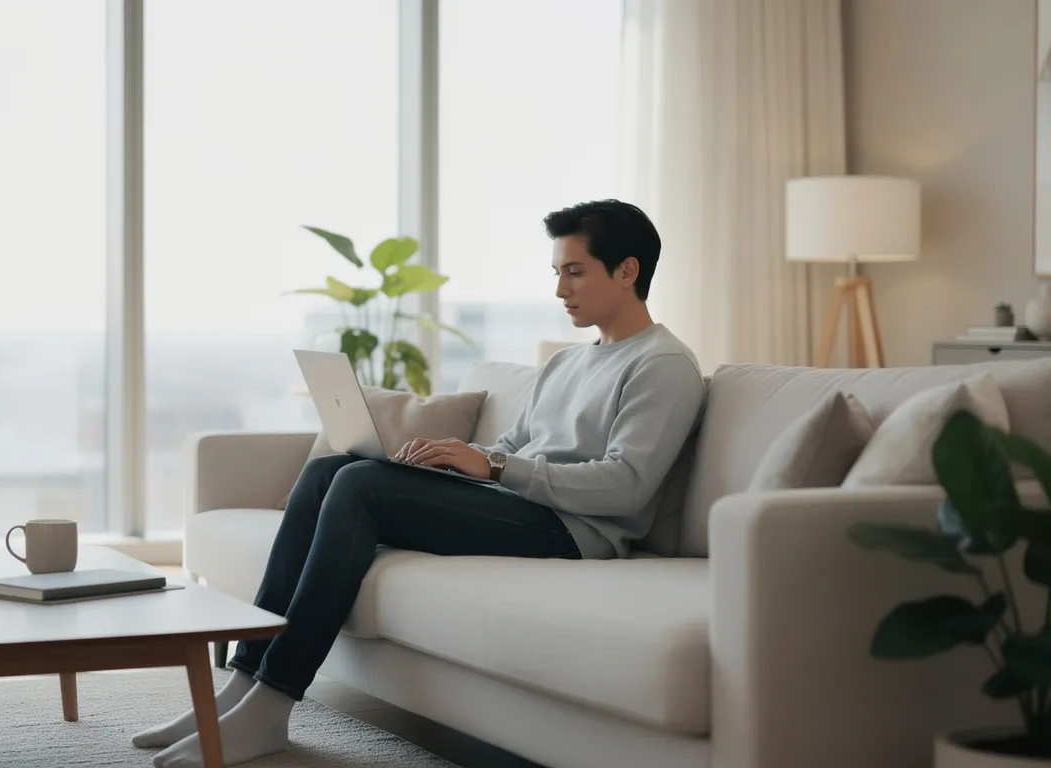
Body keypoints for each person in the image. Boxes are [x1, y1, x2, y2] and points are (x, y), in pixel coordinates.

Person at [135, 199, 707, 768]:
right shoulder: (566, 363)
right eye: (556, 273)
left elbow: (627, 485)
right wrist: (457, 458)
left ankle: (273, 704)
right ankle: (239, 689)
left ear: (628, 271)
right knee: (325, 471)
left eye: (574, 272)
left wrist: (500, 469)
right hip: (518, 502)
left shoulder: (663, 364)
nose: (560, 290)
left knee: (361, 487)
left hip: (575, 531)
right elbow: (512, 447)